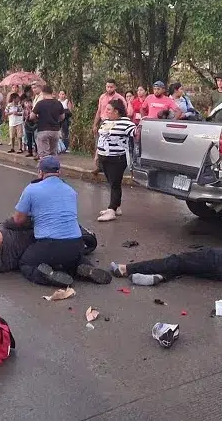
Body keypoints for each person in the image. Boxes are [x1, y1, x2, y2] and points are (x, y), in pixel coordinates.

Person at [13, 156, 111, 286]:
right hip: (77, 243)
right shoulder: (70, 191)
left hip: (50, 244)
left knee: (26, 263)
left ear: (40, 172)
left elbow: (18, 220)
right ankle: (85, 267)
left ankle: (48, 276)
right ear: (59, 172)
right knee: (72, 260)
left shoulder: (31, 189)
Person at [96, 99, 136, 222]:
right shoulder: (106, 122)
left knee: (115, 184)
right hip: (104, 156)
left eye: (109, 109)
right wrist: (97, 154)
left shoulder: (127, 124)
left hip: (117, 158)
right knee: (112, 183)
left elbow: (137, 135)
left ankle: (111, 210)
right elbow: (101, 138)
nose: (106, 111)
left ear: (116, 111)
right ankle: (116, 206)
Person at [30, 85, 64, 159]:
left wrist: (37, 117)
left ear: (42, 93)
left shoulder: (40, 104)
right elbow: (62, 117)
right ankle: (53, 165)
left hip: (43, 130)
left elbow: (31, 116)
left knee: (44, 154)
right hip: (55, 131)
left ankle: (45, 166)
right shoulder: (58, 103)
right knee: (53, 153)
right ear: (51, 92)